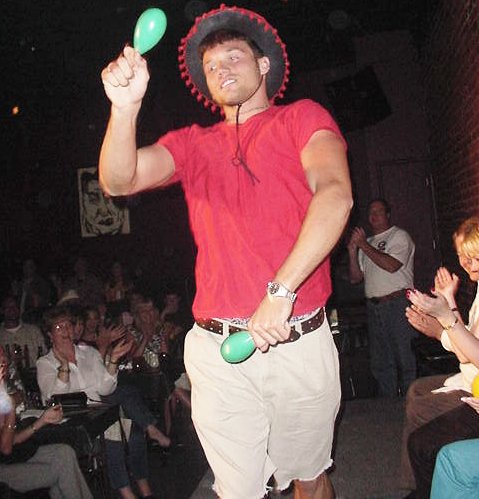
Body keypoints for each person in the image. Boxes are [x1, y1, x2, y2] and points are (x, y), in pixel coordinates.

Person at [99, 5, 352, 498]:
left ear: (263, 65)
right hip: (217, 350)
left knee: (308, 477)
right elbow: (117, 180)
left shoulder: (301, 118)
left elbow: (336, 195)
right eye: (211, 65)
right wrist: (124, 108)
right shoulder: (193, 145)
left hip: (295, 338)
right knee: (238, 490)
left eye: (233, 57)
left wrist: (280, 291)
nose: (221, 69)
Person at [36, 306, 158, 499]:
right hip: (72, 425)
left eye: (68, 325)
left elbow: (105, 389)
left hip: (100, 416)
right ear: (50, 335)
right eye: (59, 327)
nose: (66, 331)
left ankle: (145, 489)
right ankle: (127, 493)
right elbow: (53, 397)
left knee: (134, 433)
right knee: (113, 434)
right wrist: (64, 367)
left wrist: (113, 360)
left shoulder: (89, 353)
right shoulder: (45, 363)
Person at [400, 216, 479, 491]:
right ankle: (420, 485)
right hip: (471, 378)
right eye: (463, 257)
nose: (469, 264)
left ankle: (426, 485)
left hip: (473, 386)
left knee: (421, 428)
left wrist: (444, 322)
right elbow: (466, 344)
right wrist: (448, 303)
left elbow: (468, 353)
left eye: (475, 256)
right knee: (416, 390)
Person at [0, 346, 93, 498]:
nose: (3, 361)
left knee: (64, 453)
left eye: (3, 356)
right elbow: (6, 448)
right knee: (62, 469)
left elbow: (13, 439)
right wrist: (10, 405)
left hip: (13, 456)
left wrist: (42, 421)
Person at [348, 198, 416, 397]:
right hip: (375, 307)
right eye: (371, 212)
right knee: (381, 361)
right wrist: (352, 251)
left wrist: (363, 245)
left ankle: (411, 400)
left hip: (397, 304)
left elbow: (391, 266)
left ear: (387, 214)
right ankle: (388, 404)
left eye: (378, 211)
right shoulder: (367, 243)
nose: (374, 215)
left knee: (405, 356)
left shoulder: (399, 236)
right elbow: (355, 278)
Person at [0, 295, 46, 368]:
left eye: (15, 306)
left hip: (34, 373)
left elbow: (44, 355)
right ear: (2, 310)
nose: (12, 310)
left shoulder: (34, 331)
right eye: (8, 307)